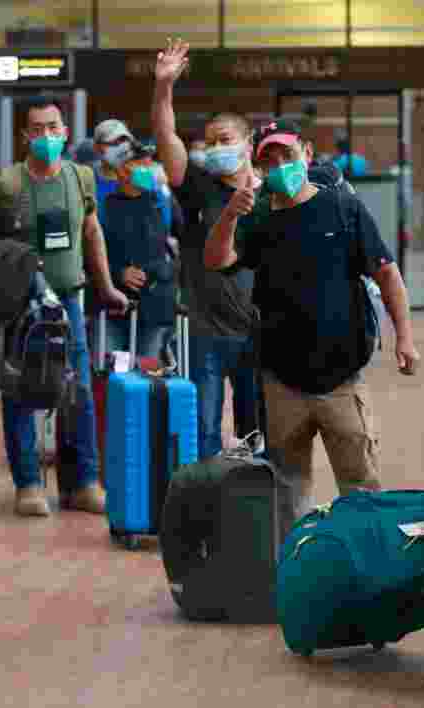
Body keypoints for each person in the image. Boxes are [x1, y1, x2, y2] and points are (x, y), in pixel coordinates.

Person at [204, 118, 420, 513]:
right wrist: (231, 215)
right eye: (269, 159)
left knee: (361, 492)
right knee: (289, 492)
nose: (279, 165)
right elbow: (217, 259)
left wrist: (404, 336)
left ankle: (362, 570)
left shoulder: (342, 207)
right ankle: (298, 565)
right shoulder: (257, 216)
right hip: (281, 380)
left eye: (286, 154)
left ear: (306, 153)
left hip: (341, 378)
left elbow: (386, 272)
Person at [0, 95, 129, 517]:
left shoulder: (80, 179)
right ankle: (28, 484)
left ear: (66, 131)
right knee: (21, 390)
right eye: (37, 129)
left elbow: (92, 233)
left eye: (53, 127)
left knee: (78, 393)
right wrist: (7, 264)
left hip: (70, 301)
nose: (46, 136)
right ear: (25, 136)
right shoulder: (6, 186)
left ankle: (83, 483)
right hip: (23, 306)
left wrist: (107, 287)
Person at [152, 39, 261, 458]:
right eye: (210, 142)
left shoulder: (273, 197)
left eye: (226, 139)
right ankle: (208, 512)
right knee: (203, 430)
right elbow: (167, 138)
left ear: (248, 142)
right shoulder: (200, 188)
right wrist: (164, 88)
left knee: (259, 433)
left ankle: (257, 511)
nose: (217, 148)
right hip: (205, 331)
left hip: (259, 335)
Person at [101, 141, 179, 359]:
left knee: (150, 375)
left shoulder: (162, 201)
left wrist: (165, 274)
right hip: (114, 307)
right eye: (140, 163)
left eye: (150, 163)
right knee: (113, 374)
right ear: (122, 169)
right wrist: (119, 273)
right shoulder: (104, 206)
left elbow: (184, 243)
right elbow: (89, 255)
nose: (148, 168)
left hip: (156, 306)